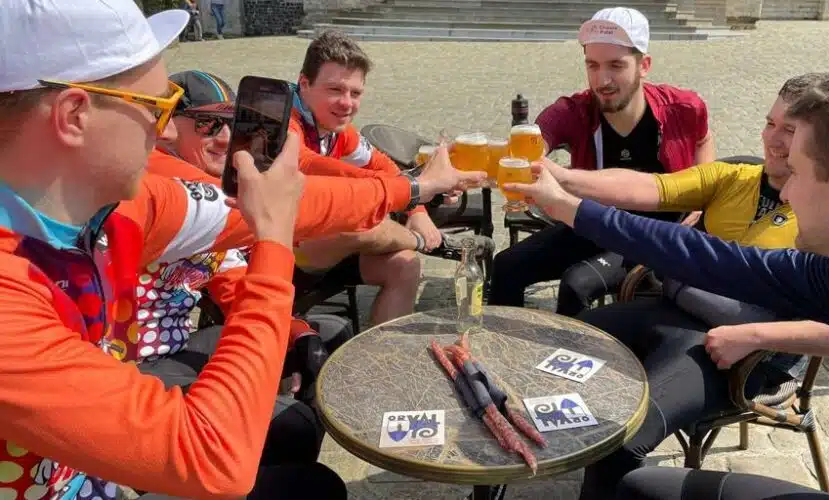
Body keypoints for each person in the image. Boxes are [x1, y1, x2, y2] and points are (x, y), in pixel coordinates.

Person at [0, 3, 480, 498]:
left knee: (306, 472)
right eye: (156, 107)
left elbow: (294, 203)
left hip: (92, 461)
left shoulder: (118, 206)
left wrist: (413, 190)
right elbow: (213, 459)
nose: (165, 130)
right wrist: (273, 244)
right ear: (74, 115)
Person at [508, 68, 829, 499]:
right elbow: (707, 257)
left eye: (798, 172)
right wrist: (565, 205)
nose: (786, 191)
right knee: (640, 488)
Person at [521, 72, 829, 499]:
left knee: (622, 442)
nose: (773, 139)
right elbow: (649, 186)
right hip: (676, 312)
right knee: (553, 350)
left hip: (741, 353)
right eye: (769, 123)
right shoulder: (737, 176)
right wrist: (559, 176)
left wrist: (755, 333)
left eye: (790, 130)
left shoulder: (826, 219)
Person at [144, 70, 354, 470]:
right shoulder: (166, 185)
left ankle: (274, 472)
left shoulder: (217, 189)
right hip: (132, 364)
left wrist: (297, 332)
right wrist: (408, 192)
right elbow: (305, 208)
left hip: (179, 341)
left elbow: (233, 283)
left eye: (231, 123)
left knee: (326, 338)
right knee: (291, 426)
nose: (225, 138)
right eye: (206, 124)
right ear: (168, 128)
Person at [489, 7, 715, 316]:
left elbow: (703, 138)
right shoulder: (576, 111)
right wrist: (524, 154)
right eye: (592, 65)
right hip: (596, 220)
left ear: (644, 65)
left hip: (657, 231)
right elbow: (540, 136)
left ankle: (575, 347)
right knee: (506, 265)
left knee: (576, 284)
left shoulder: (683, 108)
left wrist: (702, 199)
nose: (602, 80)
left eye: (616, 65)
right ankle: (501, 338)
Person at [289, 31, 451, 325]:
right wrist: (409, 189)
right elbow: (303, 163)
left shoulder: (336, 127)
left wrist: (416, 210)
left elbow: (384, 166)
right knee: (359, 221)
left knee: (404, 266)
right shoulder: (284, 122)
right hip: (278, 255)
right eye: (334, 89)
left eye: (355, 93)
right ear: (304, 83)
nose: (346, 103)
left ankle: (384, 352)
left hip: (322, 248)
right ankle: (426, 243)